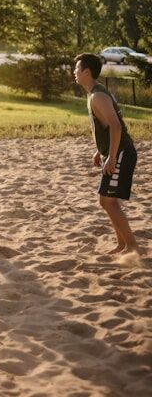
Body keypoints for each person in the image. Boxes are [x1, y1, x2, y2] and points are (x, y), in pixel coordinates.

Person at [74, 53, 140, 254]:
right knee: (107, 201)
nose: (74, 72)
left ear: (87, 71)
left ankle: (132, 246)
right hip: (114, 152)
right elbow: (105, 126)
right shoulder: (94, 93)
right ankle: (123, 244)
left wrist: (111, 156)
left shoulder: (98, 96)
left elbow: (116, 127)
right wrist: (99, 151)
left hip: (121, 152)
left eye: (77, 69)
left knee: (108, 201)